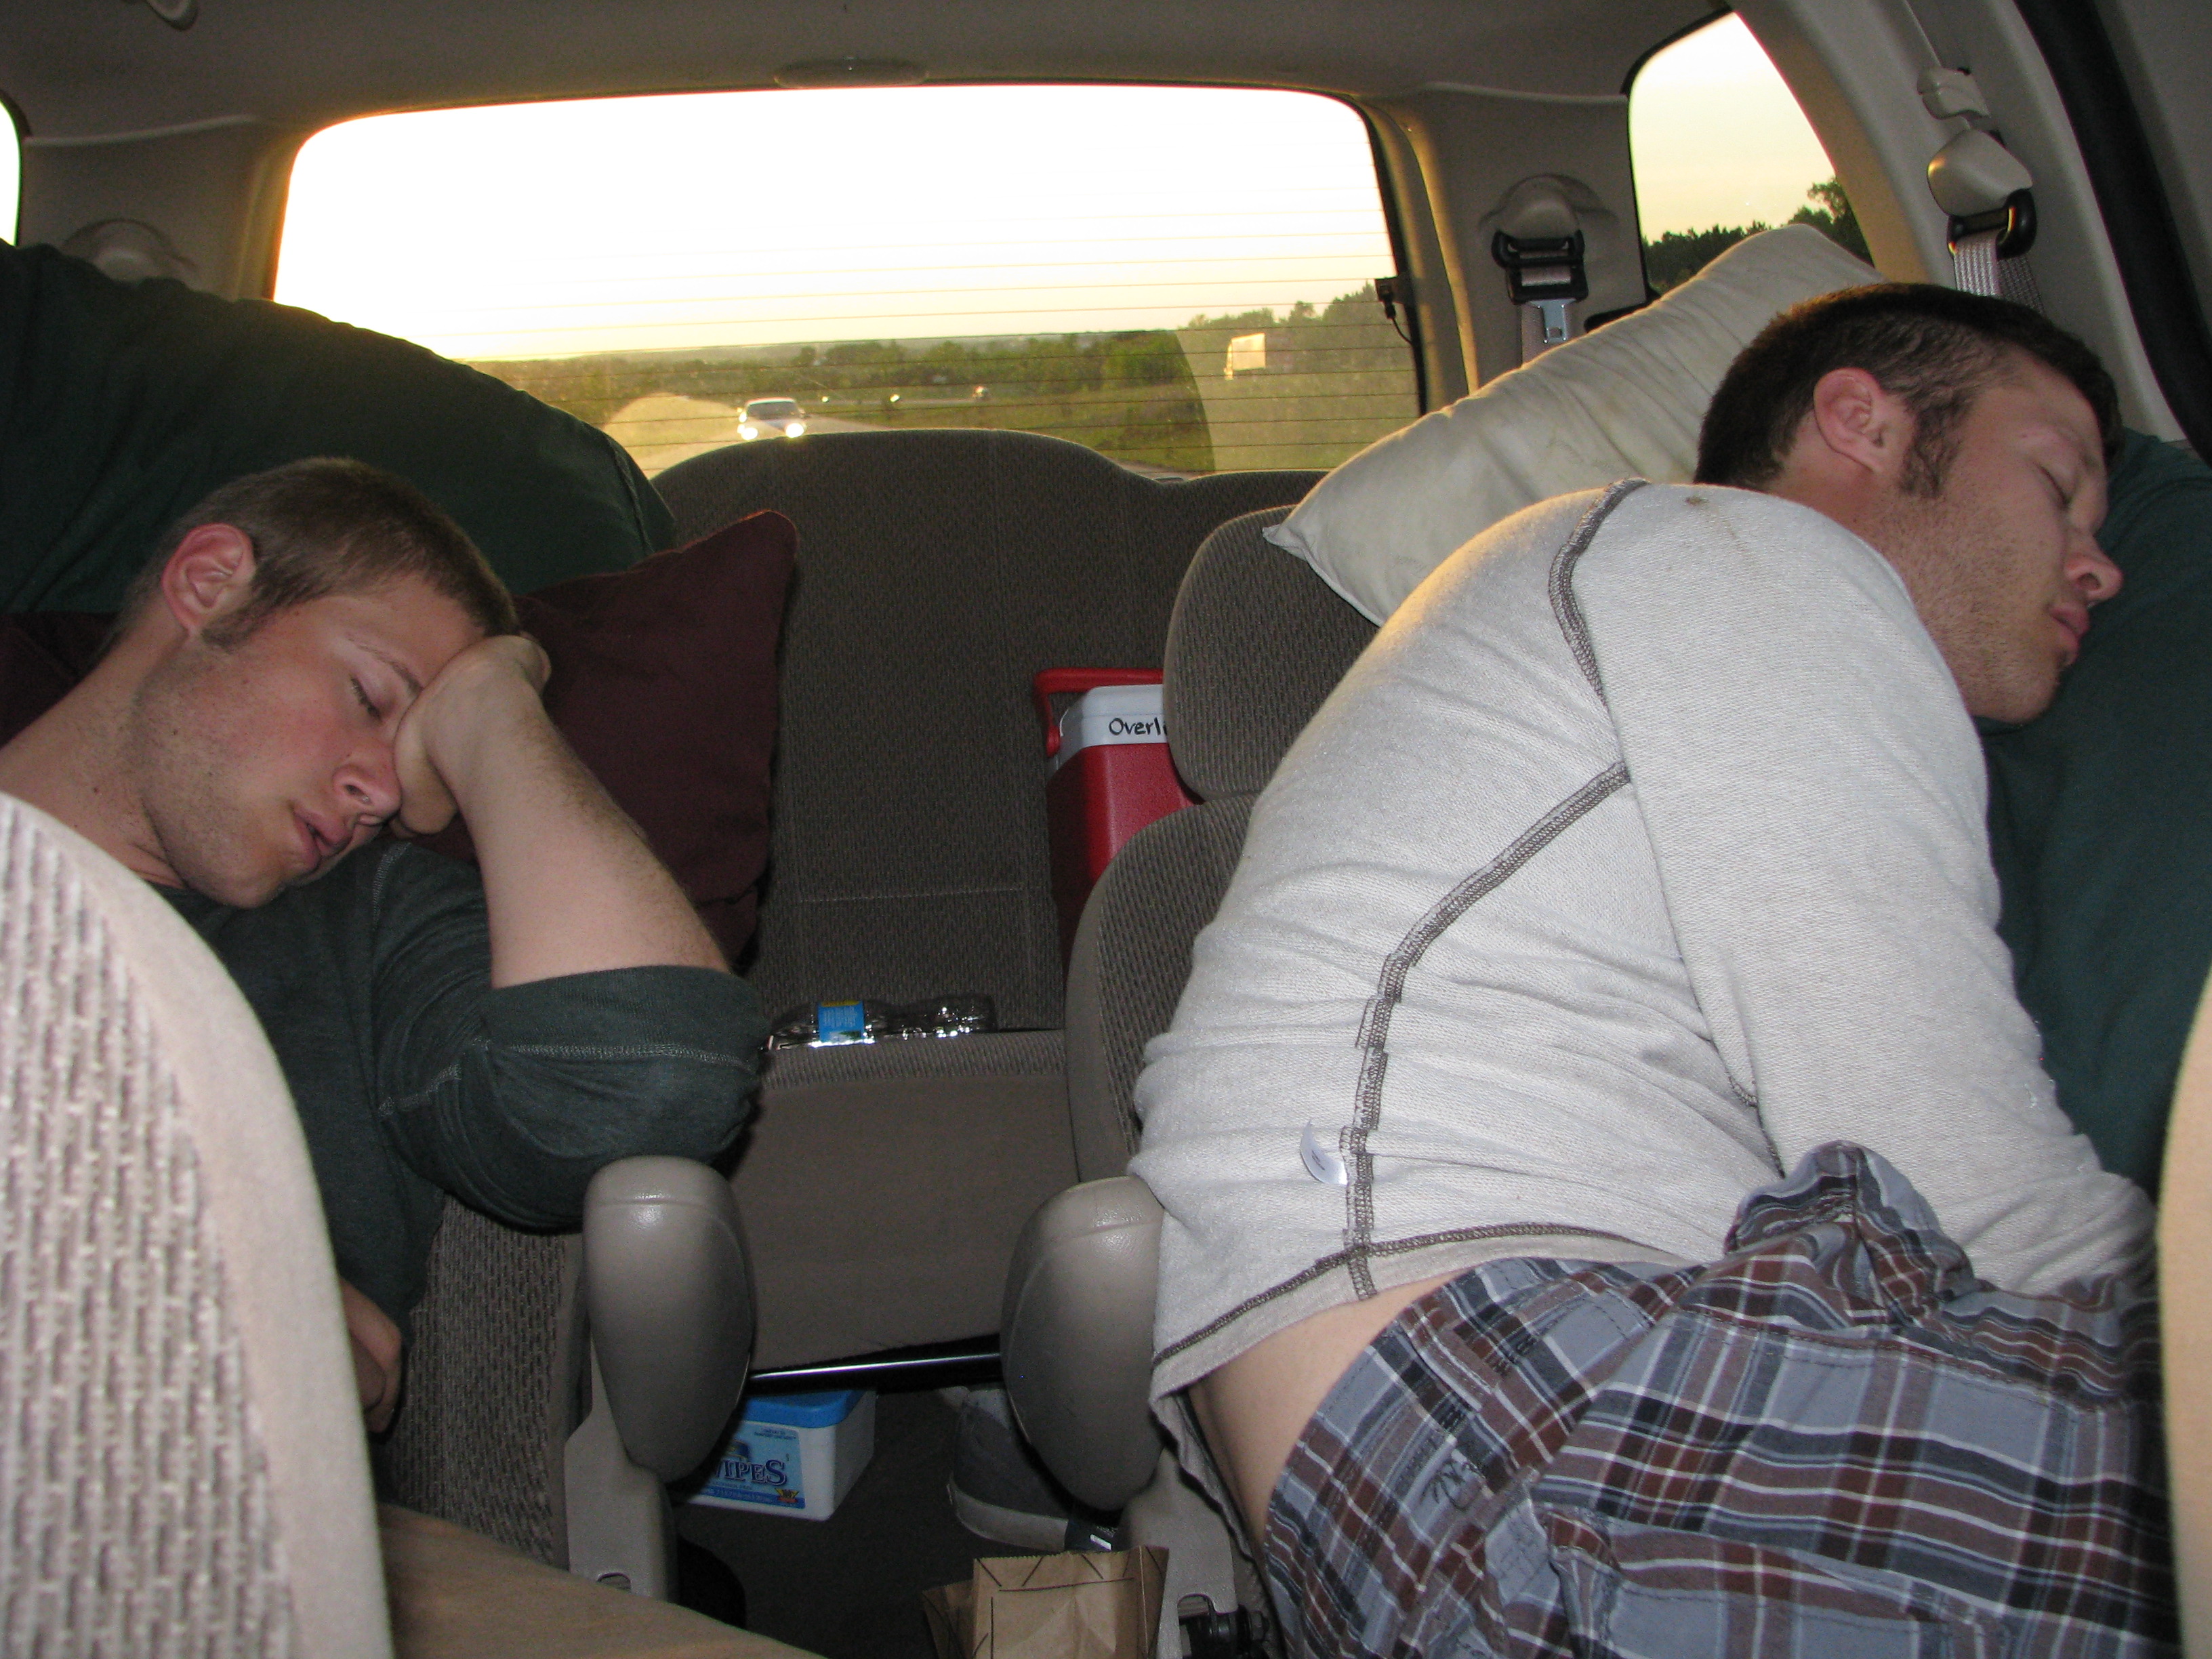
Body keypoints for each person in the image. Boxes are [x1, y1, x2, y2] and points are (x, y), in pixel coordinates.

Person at [1128, 285, 2171, 1653]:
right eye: (2057, 484)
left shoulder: (1659, 602)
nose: (2100, 565)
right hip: (1505, 1392)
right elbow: (1965, 1180)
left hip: (1453, 1401)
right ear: (1862, 422)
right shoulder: (1748, 560)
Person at [0, 457, 764, 1431]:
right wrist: (157, 1279)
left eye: (413, 755)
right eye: (367, 696)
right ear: (210, 584)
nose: (382, 791)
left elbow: (643, 1081)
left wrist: (492, 713)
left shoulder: (361, 928)